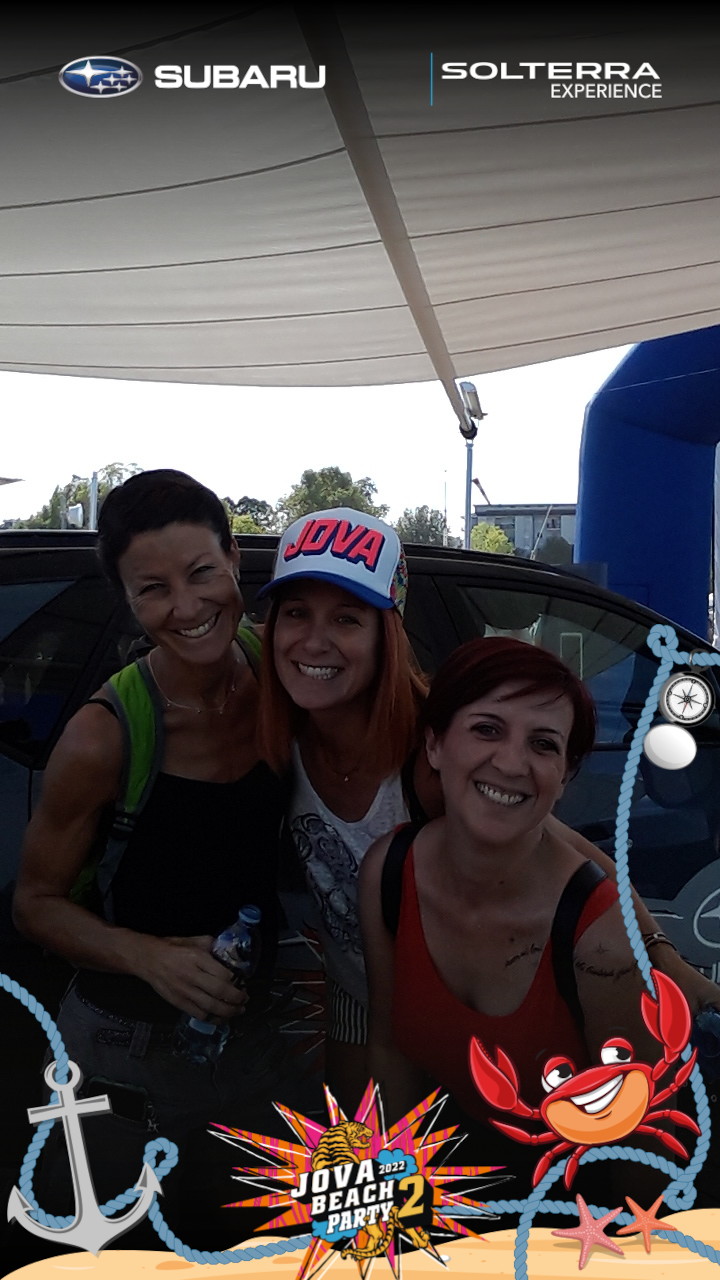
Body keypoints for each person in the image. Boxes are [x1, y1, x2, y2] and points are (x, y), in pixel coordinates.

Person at [257, 510, 719, 1115]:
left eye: (347, 618)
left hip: (438, 999)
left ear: (386, 634)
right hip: (350, 986)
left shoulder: (438, 753)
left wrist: (670, 963)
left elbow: (580, 861)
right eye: (296, 613)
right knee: (360, 1145)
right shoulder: (267, 731)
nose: (315, 641)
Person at [12, 469, 298, 1249]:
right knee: (105, 1257)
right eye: (153, 589)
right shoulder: (105, 734)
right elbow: (34, 904)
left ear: (234, 557)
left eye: (201, 572)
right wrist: (150, 958)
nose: (187, 605)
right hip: (121, 1057)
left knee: (254, 1255)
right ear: (128, 602)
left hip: (256, 1049)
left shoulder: (277, 672)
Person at [358, 637, 698, 1208]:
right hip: (452, 1190)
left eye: (543, 744)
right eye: (487, 729)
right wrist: (387, 1206)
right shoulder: (389, 872)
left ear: (565, 776)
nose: (512, 763)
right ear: (434, 744)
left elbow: (643, 1159)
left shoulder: (600, 940)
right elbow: (390, 1053)